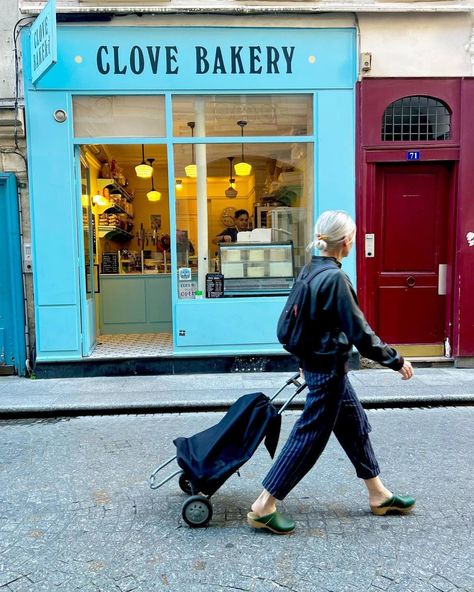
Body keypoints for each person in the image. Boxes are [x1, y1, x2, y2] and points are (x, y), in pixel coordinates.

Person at [247, 210, 415, 535]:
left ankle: (378, 494)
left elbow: (299, 322)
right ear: (347, 242)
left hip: (322, 365)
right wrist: (395, 361)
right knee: (308, 438)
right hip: (327, 371)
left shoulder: (311, 269)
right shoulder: (335, 278)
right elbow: (361, 334)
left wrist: (303, 357)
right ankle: (263, 505)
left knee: (354, 428)